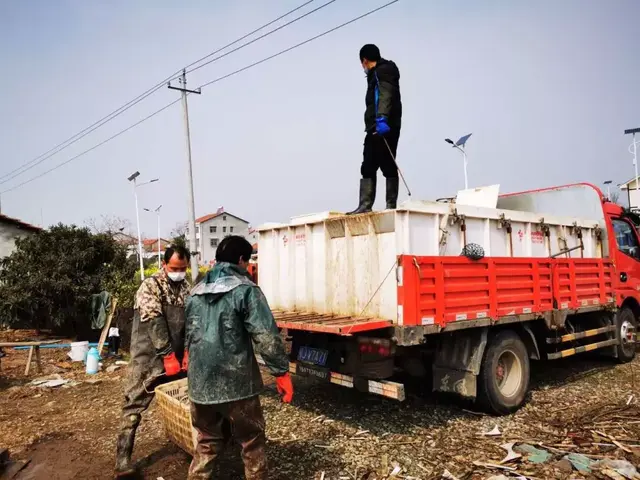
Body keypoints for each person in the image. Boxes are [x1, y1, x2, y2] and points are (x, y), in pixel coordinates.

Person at [185, 235, 293, 480]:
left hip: (200, 384)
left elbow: (188, 335)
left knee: (207, 440)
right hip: (237, 383)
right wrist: (281, 373)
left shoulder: (194, 293)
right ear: (242, 260)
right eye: (248, 261)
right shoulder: (246, 290)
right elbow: (266, 335)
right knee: (251, 440)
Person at [114, 245, 191, 478]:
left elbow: (191, 322)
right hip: (148, 357)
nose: (179, 272)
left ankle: (190, 446)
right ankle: (122, 461)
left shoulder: (187, 288)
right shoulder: (150, 286)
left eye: (183, 268)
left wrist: (186, 352)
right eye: (174, 268)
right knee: (134, 406)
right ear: (164, 264)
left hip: (177, 357)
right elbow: (154, 322)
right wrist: (167, 355)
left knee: (185, 401)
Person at [348, 43, 403, 215]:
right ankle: (390, 205)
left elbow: (384, 94)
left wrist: (381, 118)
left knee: (369, 165)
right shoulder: (385, 71)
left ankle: (366, 205)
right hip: (389, 126)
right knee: (387, 163)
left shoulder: (380, 72)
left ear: (364, 60)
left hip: (380, 126)